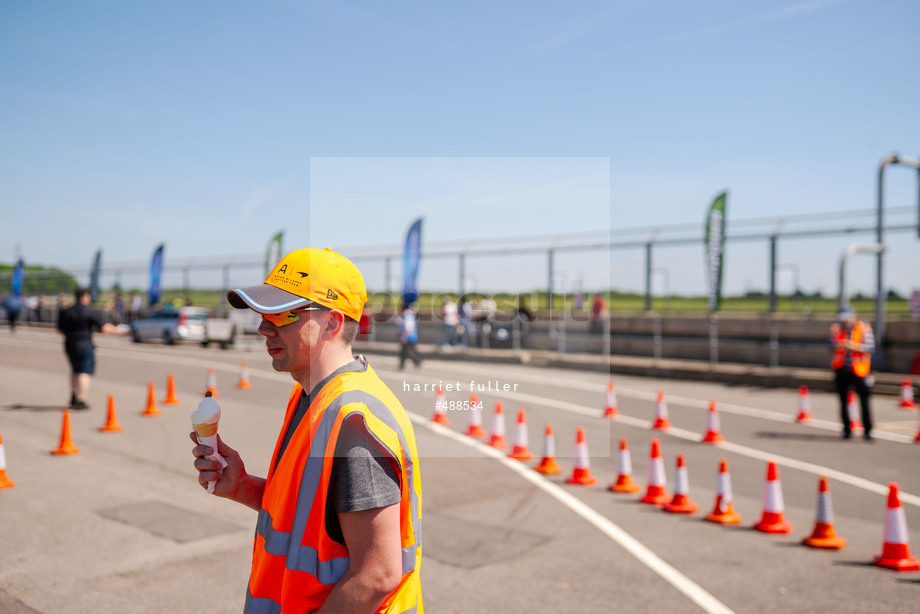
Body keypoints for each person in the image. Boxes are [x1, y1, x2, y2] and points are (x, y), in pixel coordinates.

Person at [190, 248, 423, 613]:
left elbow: (378, 574)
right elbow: (314, 524)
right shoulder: (311, 395)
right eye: (263, 313)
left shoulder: (354, 422)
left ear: (331, 323)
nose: (263, 327)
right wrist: (243, 487)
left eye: (283, 314)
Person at [56, 288, 119, 409]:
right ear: (85, 296)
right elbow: (104, 328)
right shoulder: (88, 311)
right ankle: (81, 399)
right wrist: (117, 330)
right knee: (84, 372)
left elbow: (59, 330)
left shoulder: (66, 312)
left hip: (69, 345)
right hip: (85, 345)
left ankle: (74, 396)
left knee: (74, 371)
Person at [829, 305, 875, 440]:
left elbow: (870, 348)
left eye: (846, 319)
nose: (844, 322)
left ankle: (867, 430)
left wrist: (852, 346)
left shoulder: (864, 328)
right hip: (842, 369)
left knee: (865, 402)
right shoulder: (836, 329)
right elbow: (830, 346)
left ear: (854, 316)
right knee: (843, 401)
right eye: (842, 319)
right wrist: (838, 345)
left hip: (859, 370)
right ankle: (847, 430)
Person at [397, 302, 422, 370]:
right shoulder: (410, 315)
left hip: (408, 336)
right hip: (411, 336)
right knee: (405, 351)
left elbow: (408, 326)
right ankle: (403, 364)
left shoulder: (407, 314)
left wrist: (404, 336)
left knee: (407, 351)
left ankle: (417, 361)